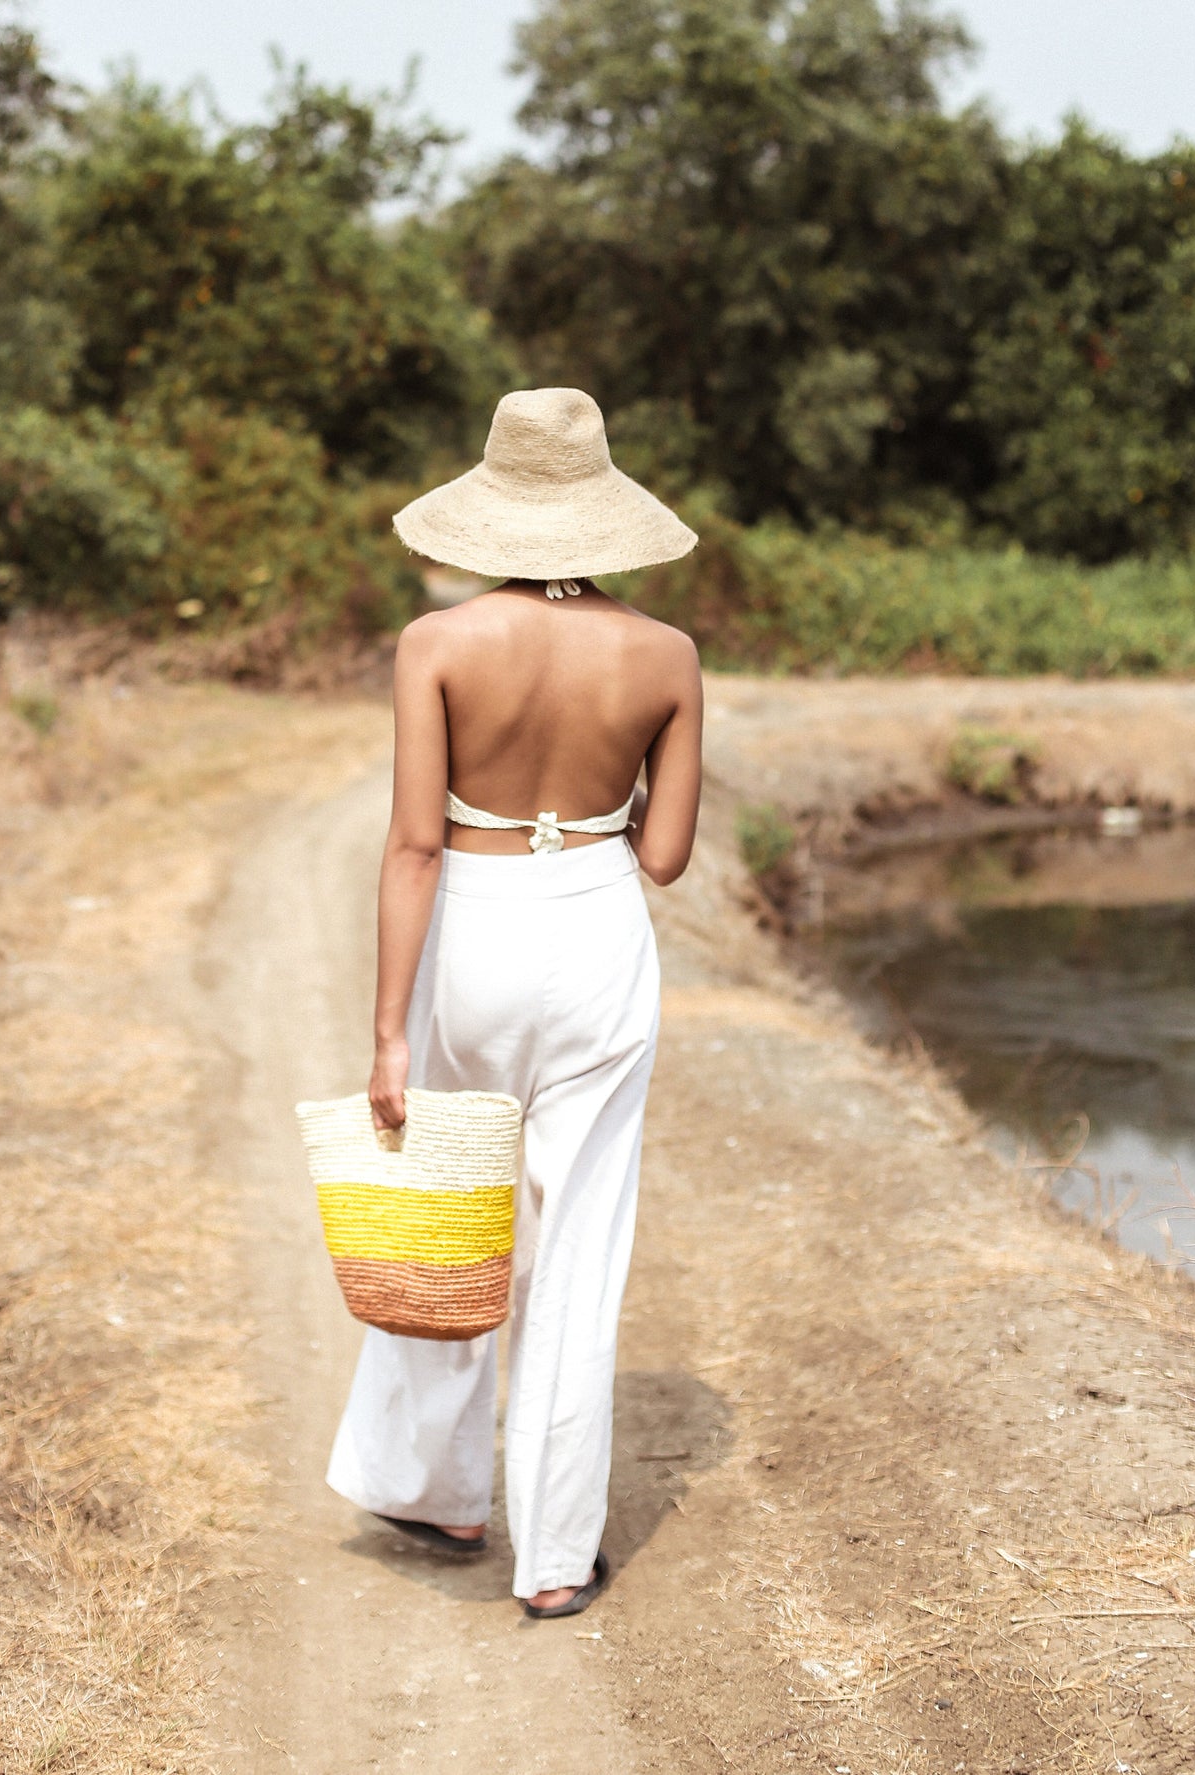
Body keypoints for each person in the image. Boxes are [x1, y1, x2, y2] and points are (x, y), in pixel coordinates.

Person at [325, 386, 703, 1619]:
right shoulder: (665, 656)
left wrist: (388, 1033)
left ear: (492, 505)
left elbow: (412, 846)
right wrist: (590, 816)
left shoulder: (435, 644)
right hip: (598, 928)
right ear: (604, 510)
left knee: (453, 1210)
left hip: (474, 932)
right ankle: (552, 1559)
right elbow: (664, 857)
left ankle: (436, 1490)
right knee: (577, 1247)